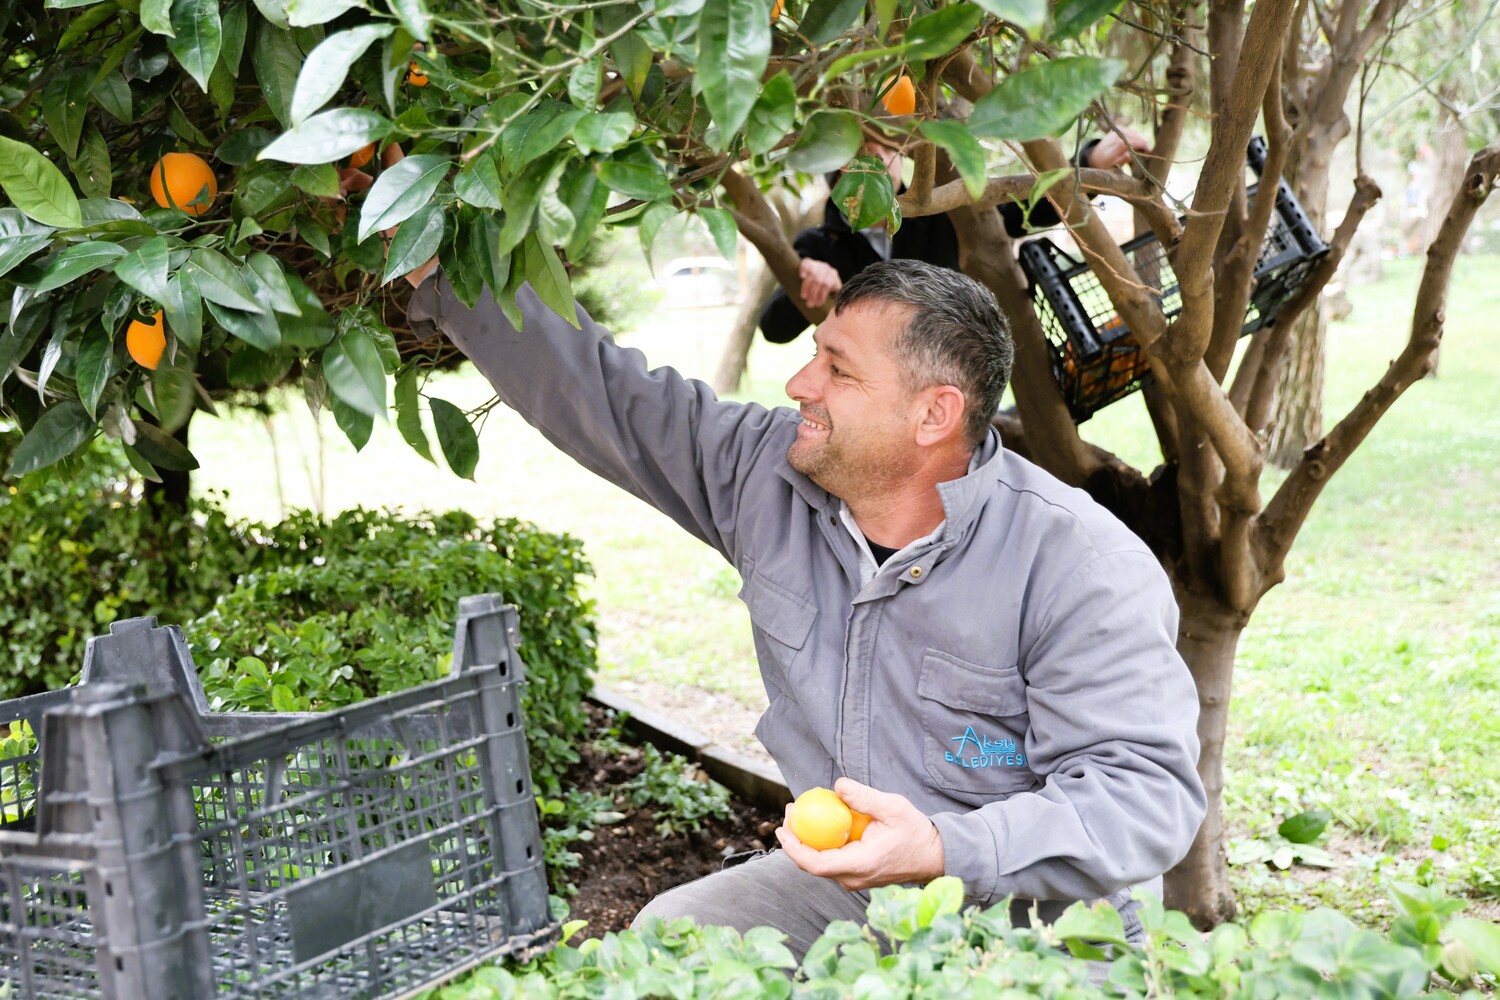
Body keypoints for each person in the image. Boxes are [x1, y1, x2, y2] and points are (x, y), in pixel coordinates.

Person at [403, 256, 1205, 963]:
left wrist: (940, 845)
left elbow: (1143, 797)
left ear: (934, 414)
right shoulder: (767, 475)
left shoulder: (1078, 565)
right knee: (673, 943)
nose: (799, 384)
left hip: (1036, 917)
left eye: (839, 371)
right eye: (814, 355)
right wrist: (440, 269)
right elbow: (609, 396)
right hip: (854, 891)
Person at [760, 127, 1153, 344]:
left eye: (887, 148)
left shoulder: (943, 214)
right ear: (836, 171)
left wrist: (1087, 165)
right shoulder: (819, 245)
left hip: (950, 366)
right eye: (861, 151)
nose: (878, 156)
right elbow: (774, 328)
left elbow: (1025, 212)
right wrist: (809, 280)